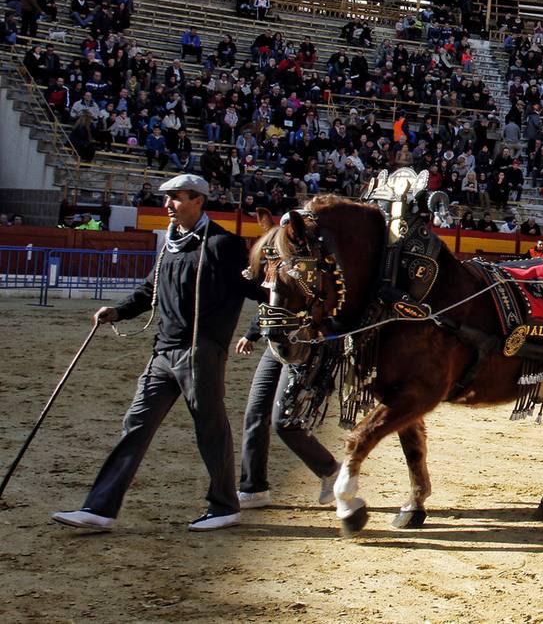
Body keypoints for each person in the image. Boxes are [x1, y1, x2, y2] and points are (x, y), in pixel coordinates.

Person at [52, 174, 266, 533]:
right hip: (163, 352)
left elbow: (252, 288)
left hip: (202, 352)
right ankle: (100, 508)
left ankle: (225, 506)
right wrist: (117, 311)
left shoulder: (222, 244)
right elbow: (148, 288)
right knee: (135, 424)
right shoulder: (171, 243)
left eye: (176, 198)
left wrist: (277, 305)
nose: (168, 205)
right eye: (166, 199)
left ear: (198, 200)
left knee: (210, 428)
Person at [233, 319, 340, 510]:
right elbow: (270, 300)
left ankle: (331, 470)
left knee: (284, 420)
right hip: (276, 342)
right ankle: (253, 489)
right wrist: (254, 331)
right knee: (255, 412)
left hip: (305, 344)